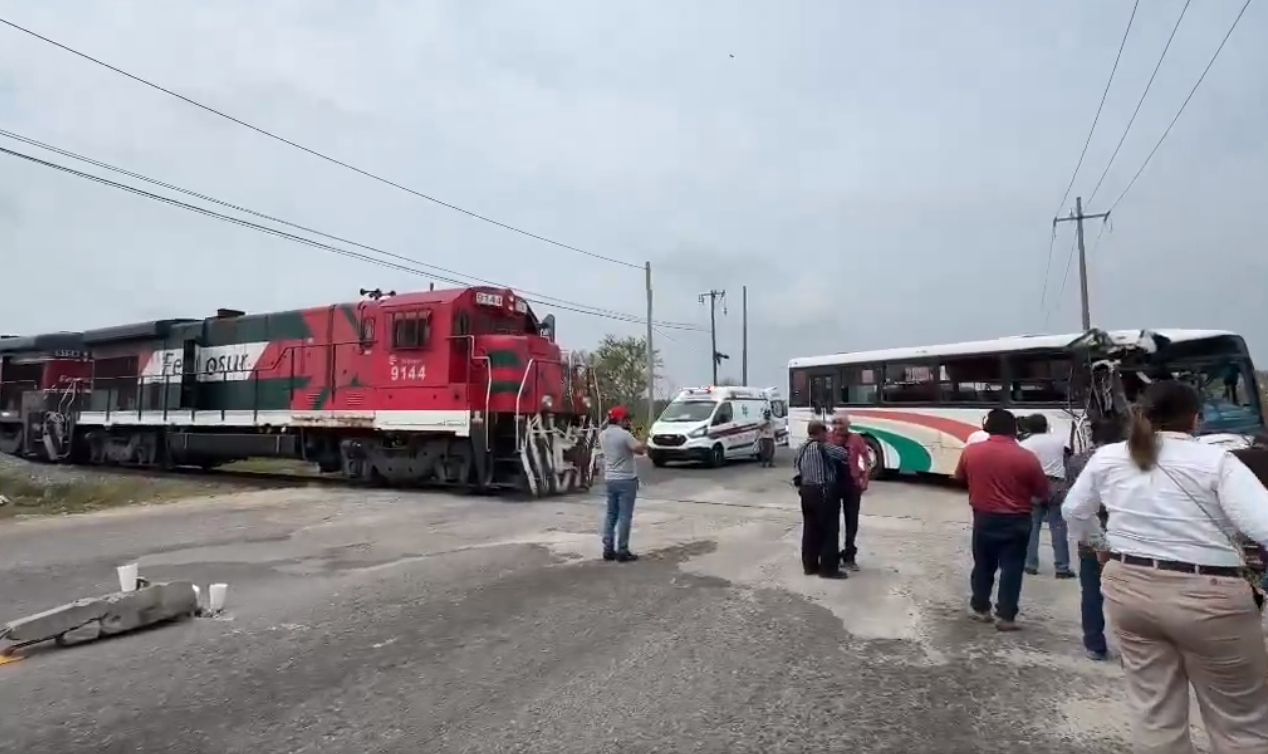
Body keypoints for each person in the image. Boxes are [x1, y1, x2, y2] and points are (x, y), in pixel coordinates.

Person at [1063, 381, 1268, 752]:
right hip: (1210, 596)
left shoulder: (1108, 457)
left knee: (1154, 713)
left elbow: (1074, 511)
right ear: (1196, 419)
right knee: (1241, 723)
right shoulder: (1217, 462)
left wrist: (1103, 549)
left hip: (1129, 586)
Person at [954, 408, 1049, 631]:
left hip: (984, 517)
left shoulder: (971, 452)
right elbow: (1042, 492)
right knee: (1012, 568)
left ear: (987, 427)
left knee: (983, 564)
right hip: (1018, 520)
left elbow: (959, 477)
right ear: (1014, 429)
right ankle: (1006, 616)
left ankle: (980, 608)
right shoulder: (1027, 457)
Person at [1019, 414, 1075, 579]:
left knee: (1032, 525)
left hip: (1035, 485)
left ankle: (1030, 564)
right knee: (1058, 526)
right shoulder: (1059, 440)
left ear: (1028, 427)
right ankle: (1062, 567)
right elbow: (1068, 458)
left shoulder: (1025, 444)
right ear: (1047, 425)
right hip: (1057, 485)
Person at [794, 420, 849, 579]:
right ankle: (828, 569)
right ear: (820, 432)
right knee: (829, 531)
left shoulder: (800, 448)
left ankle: (810, 566)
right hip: (823, 493)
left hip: (806, 493)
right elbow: (844, 454)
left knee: (810, 531)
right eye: (826, 432)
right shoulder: (822, 447)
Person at [598, 406, 646, 563]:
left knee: (611, 514)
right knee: (625, 516)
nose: (628, 422)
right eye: (626, 419)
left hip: (610, 479)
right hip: (626, 480)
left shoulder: (603, 435)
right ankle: (622, 550)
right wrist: (640, 437)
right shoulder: (625, 435)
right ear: (620, 420)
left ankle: (608, 549)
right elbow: (640, 450)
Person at [830, 415, 870, 571]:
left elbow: (866, 458)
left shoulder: (856, 439)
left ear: (847, 426)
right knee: (831, 522)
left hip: (852, 484)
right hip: (833, 484)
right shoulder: (828, 438)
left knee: (851, 521)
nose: (838, 428)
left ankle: (849, 556)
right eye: (835, 425)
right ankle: (831, 555)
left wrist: (865, 478)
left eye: (841, 425)